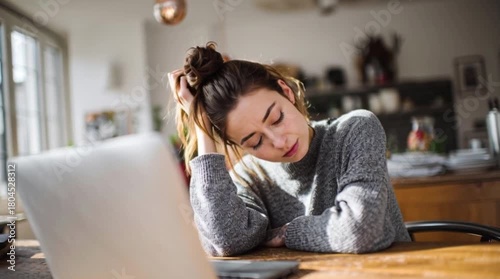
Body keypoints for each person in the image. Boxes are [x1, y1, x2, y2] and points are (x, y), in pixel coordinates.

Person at [168, 42, 411, 257]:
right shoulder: (248, 175)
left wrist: (287, 232)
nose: (279, 142)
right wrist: (201, 126)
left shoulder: (355, 129)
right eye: (255, 142)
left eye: (276, 118)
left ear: (286, 93)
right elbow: (225, 241)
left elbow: (361, 230)